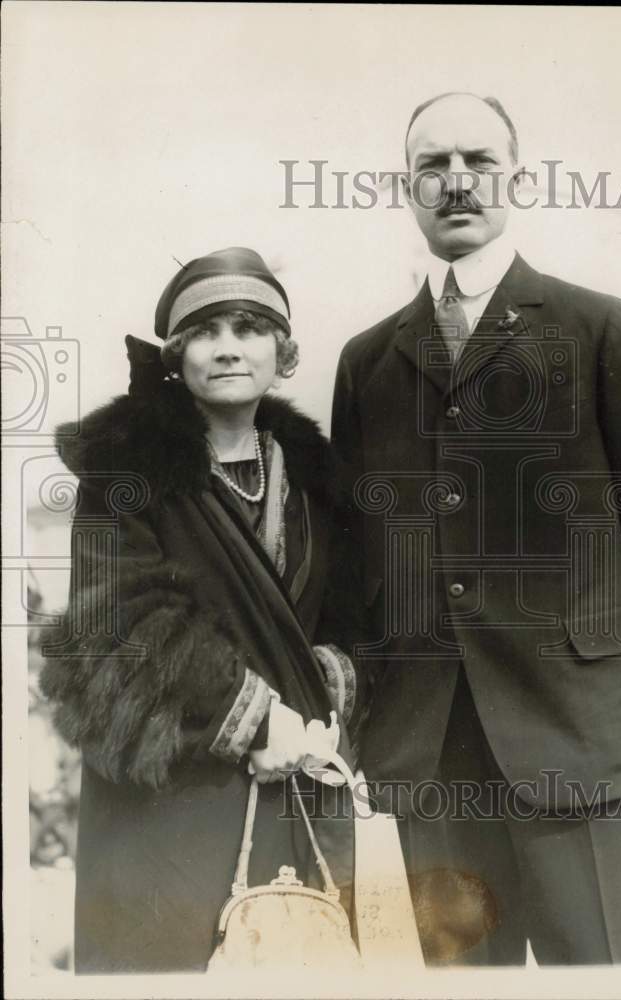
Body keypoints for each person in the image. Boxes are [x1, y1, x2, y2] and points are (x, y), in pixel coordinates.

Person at [330, 93, 621, 965]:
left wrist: (599, 665)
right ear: (407, 186)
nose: (456, 182)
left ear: (516, 179)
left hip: (587, 745)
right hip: (435, 759)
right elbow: (362, 559)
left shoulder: (596, 326)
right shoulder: (367, 361)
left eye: (479, 162)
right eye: (433, 166)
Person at [40, 247, 361, 972]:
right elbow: (116, 621)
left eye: (249, 328)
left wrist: (332, 684)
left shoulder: (315, 479)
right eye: (205, 332)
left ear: (283, 351)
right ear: (176, 356)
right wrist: (254, 712)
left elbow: (354, 616)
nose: (227, 348)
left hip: (295, 777)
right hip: (172, 787)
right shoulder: (126, 467)